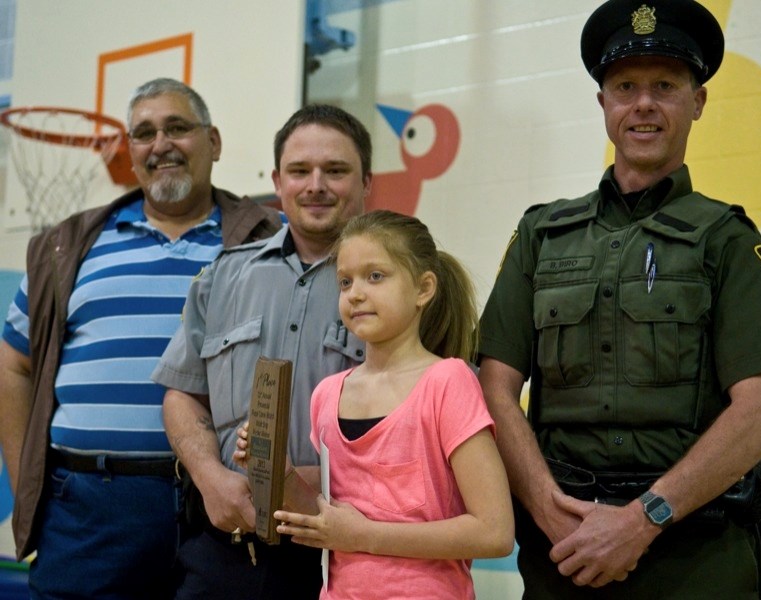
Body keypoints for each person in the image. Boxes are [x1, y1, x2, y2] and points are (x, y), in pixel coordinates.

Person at [477, 1, 761, 598]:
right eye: (625, 86)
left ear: (697, 101)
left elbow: (760, 412)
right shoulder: (540, 236)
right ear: (603, 103)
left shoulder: (727, 239)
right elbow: (492, 388)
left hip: (695, 560)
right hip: (565, 553)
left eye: (665, 85)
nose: (643, 103)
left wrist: (639, 521)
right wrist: (550, 515)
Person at [0, 77, 281, 599]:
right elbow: (12, 367)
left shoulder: (268, 238)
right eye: (145, 133)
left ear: (213, 142)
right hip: (87, 511)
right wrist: (29, 488)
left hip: (220, 503)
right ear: (129, 153)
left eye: (177, 127)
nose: (161, 144)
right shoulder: (68, 248)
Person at [151, 104, 372, 599]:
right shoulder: (224, 276)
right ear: (278, 180)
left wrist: (313, 483)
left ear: (367, 182)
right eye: (299, 171)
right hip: (226, 548)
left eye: (335, 170)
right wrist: (210, 479)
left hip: (352, 555)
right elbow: (182, 395)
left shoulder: (402, 283)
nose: (315, 184)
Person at [236, 210, 515, 599]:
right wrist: (277, 471)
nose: (356, 293)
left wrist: (365, 535)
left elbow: (495, 532)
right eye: (345, 282)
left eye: (376, 276)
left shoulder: (447, 382)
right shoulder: (327, 394)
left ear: (423, 289)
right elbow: (325, 520)